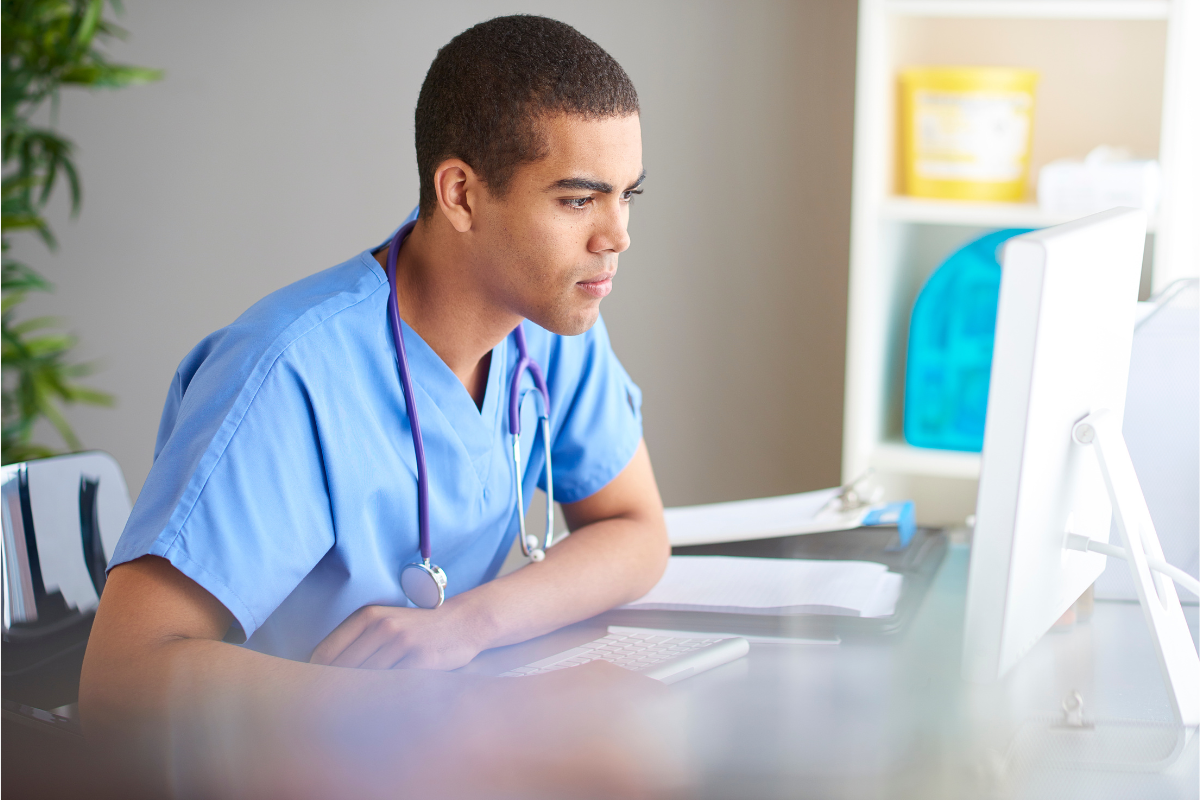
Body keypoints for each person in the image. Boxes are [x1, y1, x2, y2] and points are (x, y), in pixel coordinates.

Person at [80, 14, 675, 797]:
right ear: (460, 193)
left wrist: (468, 626)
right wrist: (447, 710)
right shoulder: (289, 372)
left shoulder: (552, 324)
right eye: (577, 201)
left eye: (627, 195)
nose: (617, 237)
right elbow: (121, 677)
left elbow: (637, 530)